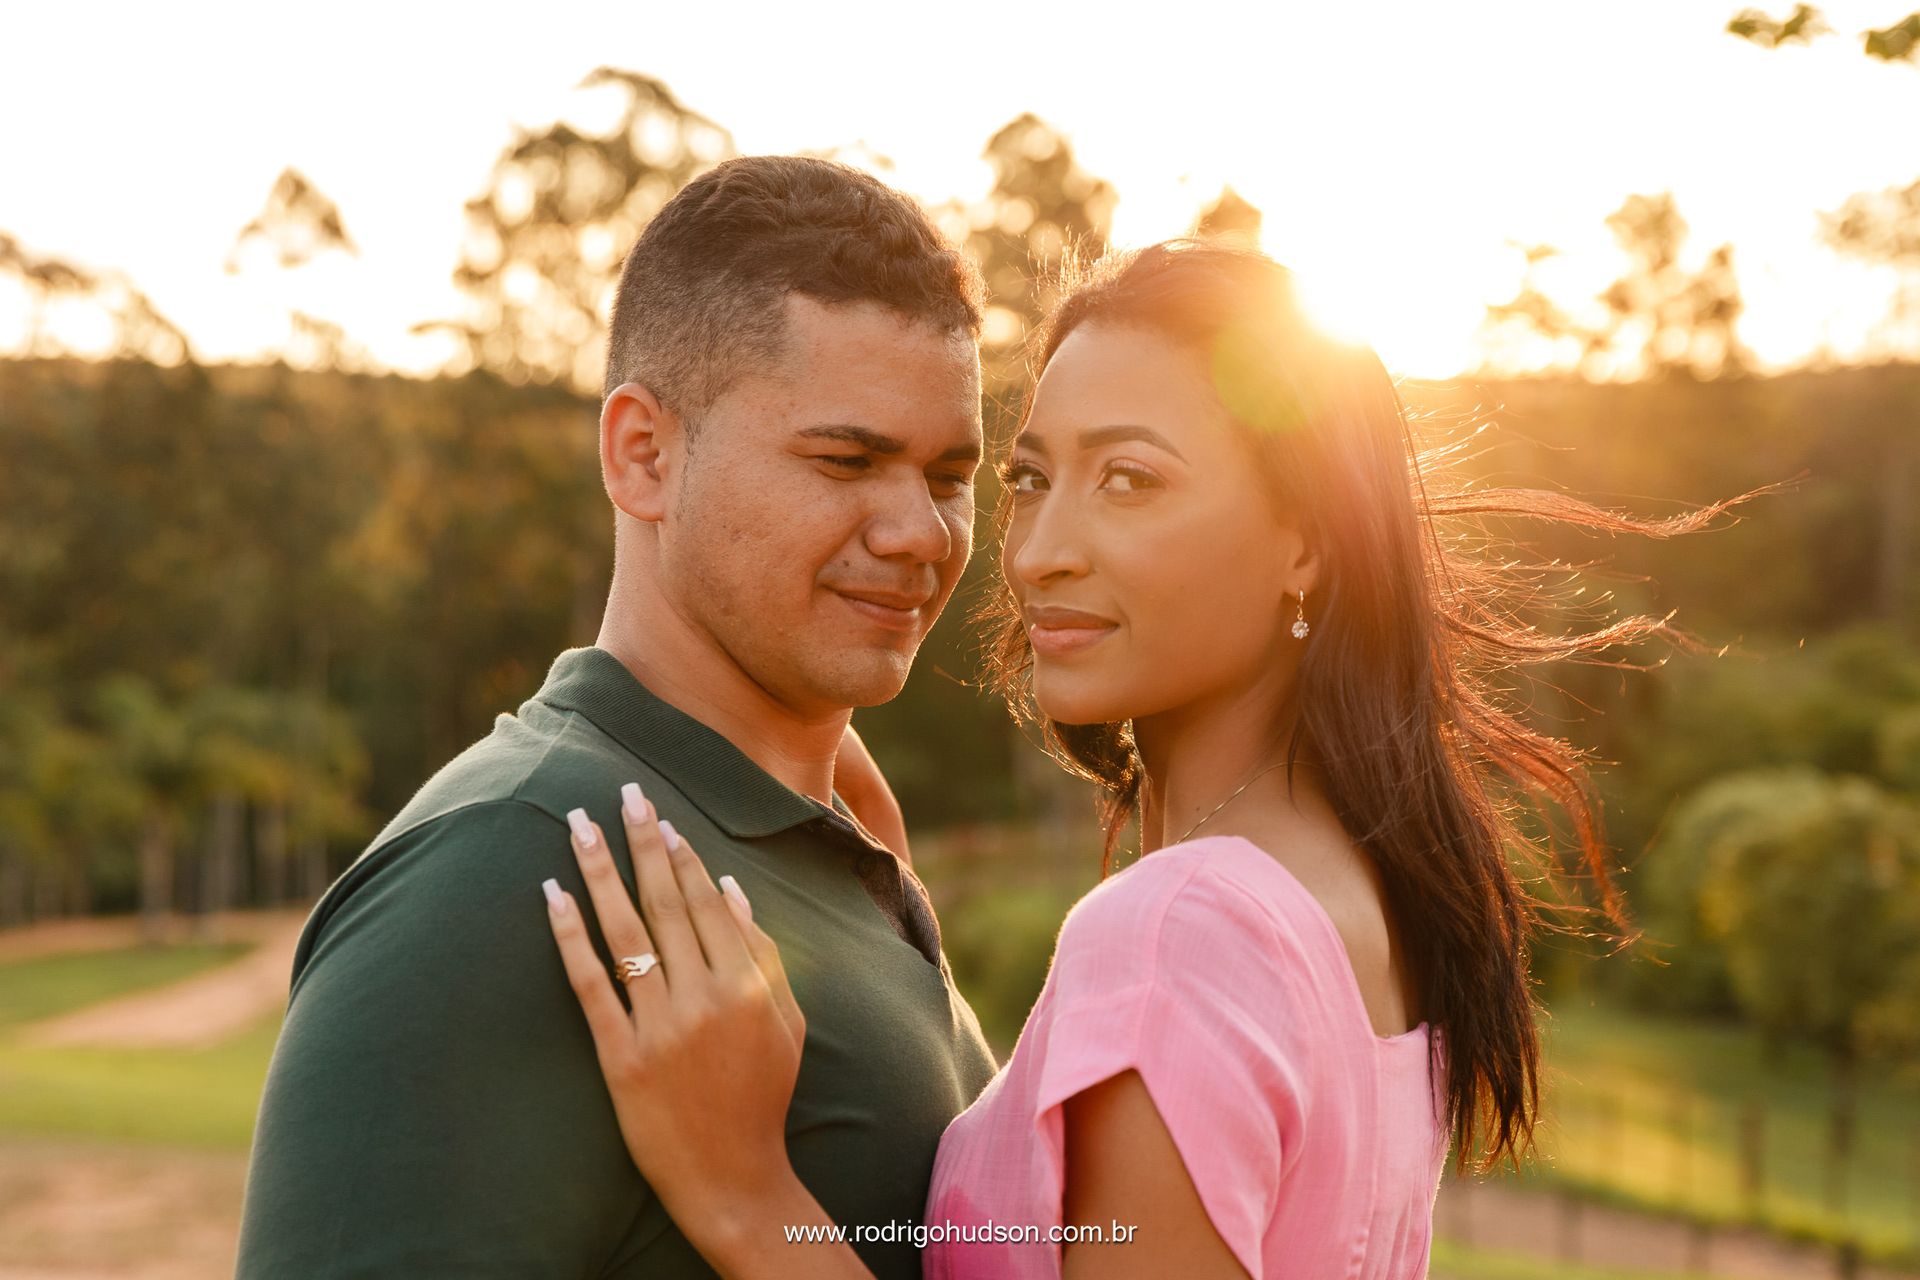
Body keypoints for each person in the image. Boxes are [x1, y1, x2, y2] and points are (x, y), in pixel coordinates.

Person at [542, 239, 1744, 1278]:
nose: (1041, 550)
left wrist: (752, 1200)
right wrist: (901, 930)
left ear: (1305, 543)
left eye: (1130, 479)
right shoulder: (1349, 890)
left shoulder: (1181, 927)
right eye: (1029, 478)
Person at [235, 155, 1000, 1278]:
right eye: (847, 459)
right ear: (643, 453)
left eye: (948, 474)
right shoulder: (515, 862)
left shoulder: (830, 835)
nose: (923, 532)